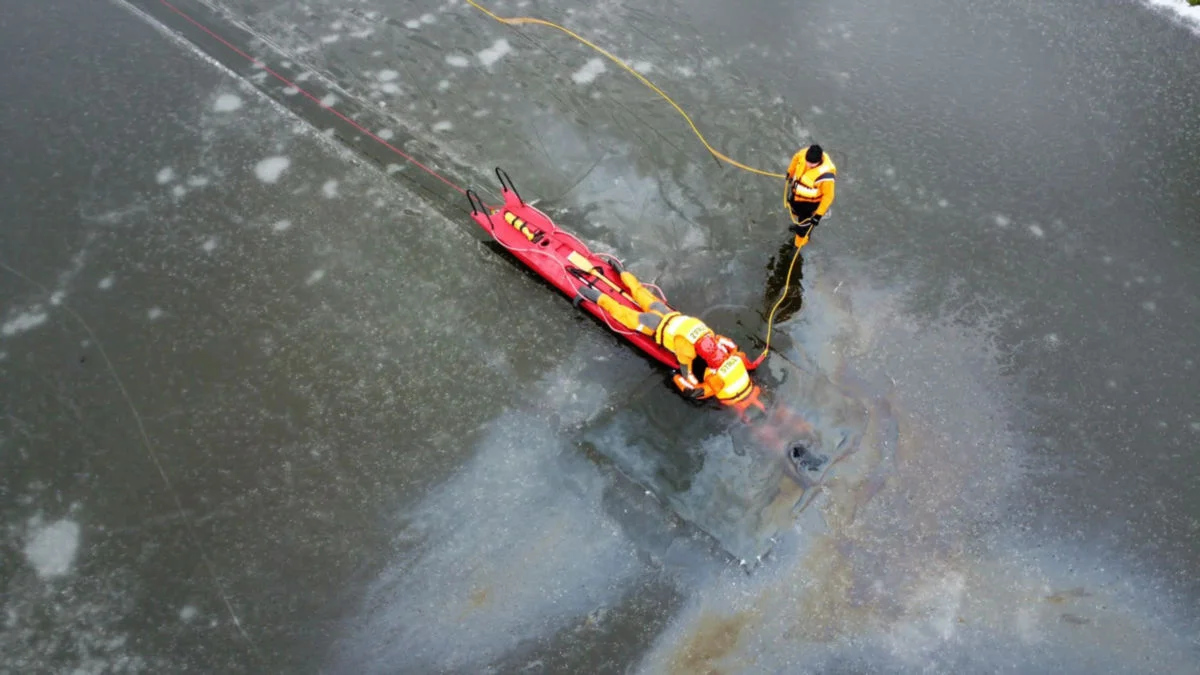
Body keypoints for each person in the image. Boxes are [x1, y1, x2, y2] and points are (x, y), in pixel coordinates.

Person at [573, 259, 762, 409]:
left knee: (639, 292)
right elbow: (690, 382)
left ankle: (620, 271)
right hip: (654, 327)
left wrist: (752, 364)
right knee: (622, 313)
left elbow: (734, 349)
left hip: (665, 313)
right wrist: (675, 376)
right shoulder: (689, 350)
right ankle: (589, 294)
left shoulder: (708, 332)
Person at [784, 143, 837, 246]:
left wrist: (818, 215)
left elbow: (828, 196)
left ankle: (799, 243)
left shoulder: (826, 176)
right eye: (807, 162)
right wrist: (790, 172)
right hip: (796, 196)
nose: (808, 165)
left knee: (803, 227)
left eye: (812, 164)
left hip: (810, 204)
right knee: (795, 213)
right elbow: (796, 158)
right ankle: (798, 226)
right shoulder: (804, 154)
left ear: (819, 161)